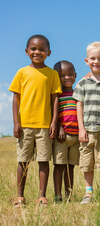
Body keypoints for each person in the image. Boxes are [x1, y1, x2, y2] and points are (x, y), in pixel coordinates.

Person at [9, 34, 62, 206]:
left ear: (49, 52)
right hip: (25, 126)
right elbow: (16, 98)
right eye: (33, 49)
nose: (37, 52)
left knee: (43, 160)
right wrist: (16, 122)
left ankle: (42, 196)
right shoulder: (22, 72)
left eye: (41, 49)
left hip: (44, 126)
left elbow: (55, 99)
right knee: (23, 161)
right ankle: (20, 195)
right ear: (26, 51)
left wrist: (54, 122)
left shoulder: (52, 74)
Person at [73, 42, 100, 204]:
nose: (96, 62)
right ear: (86, 61)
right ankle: (88, 193)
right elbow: (79, 106)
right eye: (92, 58)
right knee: (87, 163)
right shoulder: (82, 83)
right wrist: (81, 128)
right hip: (87, 131)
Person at [53, 60, 79, 202]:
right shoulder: (57, 95)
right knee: (59, 165)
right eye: (62, 76)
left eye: (70, 74)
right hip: (61, 137)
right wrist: (59, 127)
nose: (67, 78)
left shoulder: (78, 94)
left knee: (71, 167)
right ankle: (58, 195)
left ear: (75, 75)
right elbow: (54, 113)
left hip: (75, 137)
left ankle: (69, 195)